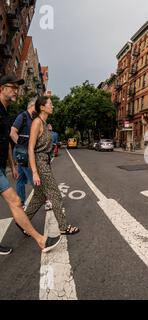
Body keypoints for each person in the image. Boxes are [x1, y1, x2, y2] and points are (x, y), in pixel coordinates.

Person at [0, 74, 61, 255]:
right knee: (16, 201)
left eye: (17, 88)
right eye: (12, 87)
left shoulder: (5, 112)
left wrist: (13, 164)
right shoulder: (19, 116)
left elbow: (5, 141)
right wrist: (25, 151)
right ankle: (41, 240)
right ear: (1, 88)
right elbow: (13, 135)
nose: (15, 91)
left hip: (3, 166)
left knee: (17, 199)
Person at [25, 96, 80, 236]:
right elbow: (30, 148)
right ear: (42, 107)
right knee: (55, 195)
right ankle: (63, 227)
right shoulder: (37, 122)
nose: (53, 106)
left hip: (45, 162)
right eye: (50, 104)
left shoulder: (44, 123)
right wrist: (34, 172)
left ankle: (23, 223)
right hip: (40, 162)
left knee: (39, 196)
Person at [9, 98, 36, 208]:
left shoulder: (32, 119)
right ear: (31, 106)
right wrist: (23, 148)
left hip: (22, 152)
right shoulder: (23, 116)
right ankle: (45, 200)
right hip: (22, 152)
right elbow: (12, 132)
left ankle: (21, 203)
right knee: (34, 176)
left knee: (20, 179)